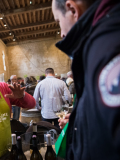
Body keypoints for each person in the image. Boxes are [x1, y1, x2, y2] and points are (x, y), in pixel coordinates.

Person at [52, 0, 120, 159]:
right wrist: (78, 119)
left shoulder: (106, 46)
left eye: (58, 21)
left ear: (72, 10)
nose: (62, 33)